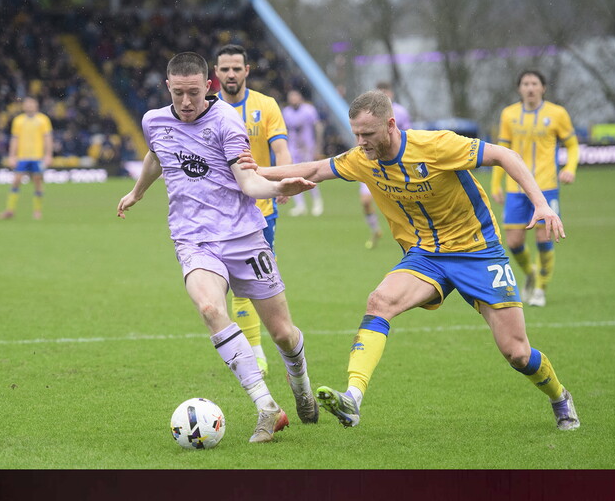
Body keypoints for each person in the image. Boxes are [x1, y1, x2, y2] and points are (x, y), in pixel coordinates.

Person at [239, 89, 580, 432]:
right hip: (425, 256)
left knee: (517, 353)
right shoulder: (361, 158)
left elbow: (505, 155)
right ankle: (353, 398)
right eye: (356, 134)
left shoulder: (436, 145)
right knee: (379, 301)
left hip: (477, 251)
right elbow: (315, 168)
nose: (361, 142)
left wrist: (541, 204)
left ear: (390, 125)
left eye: (368, 134)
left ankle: (559, 396)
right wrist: (258, 172)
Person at [117, 51, 319, 443]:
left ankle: (301, 385)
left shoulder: (227, 120)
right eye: (178, 93)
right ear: (167, 87)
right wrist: (137, 192)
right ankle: (266, 407)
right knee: (210, 308)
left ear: (207, 86)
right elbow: (156, 155)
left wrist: (278, 187)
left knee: (282, 333)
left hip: (243, 237)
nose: (186, 102)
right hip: (193, 239)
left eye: (193, 93)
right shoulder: (153, 120)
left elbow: (248, 181)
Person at [214, 44, 293, 379]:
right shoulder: (207, 109)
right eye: (225, 69)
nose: (231, 74)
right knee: (236, 284)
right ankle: (256, 353)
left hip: (261, 210)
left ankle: (274, 345)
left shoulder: (266, 105)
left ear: (247, 70)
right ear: (216, 73)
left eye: (236, 68)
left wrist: (283, 180)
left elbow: (281, 149)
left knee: (261, 281)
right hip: (221, 211)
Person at [490, 70, 579, 307]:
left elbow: (572, 145)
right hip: (515, 188)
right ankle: (530, 272)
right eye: (526, 84)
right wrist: (495, 183)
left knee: (543, 236)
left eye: (534, 83)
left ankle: (540, 288)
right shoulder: (509, 114)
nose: (530, 88)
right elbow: (501, 151)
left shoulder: (557, 113)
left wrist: (570, 167)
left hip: (546, 186)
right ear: (519, 88)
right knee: (514, 242)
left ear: (543, 88)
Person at [359, 82, 413, 249]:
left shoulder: (400, 112)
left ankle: (410, 236)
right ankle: (375, 230)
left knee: (402, 204)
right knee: (365, 201)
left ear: (391, 93)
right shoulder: (367, 113)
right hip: (371, 164)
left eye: (386, 92)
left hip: (395, 166)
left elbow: (409, 135)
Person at [0, 96, 54, 220]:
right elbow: (15, 139)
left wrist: (48, 155)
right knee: (16, 180)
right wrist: (12, 156)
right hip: (22, 157)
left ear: (36, 105)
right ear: (23, 106)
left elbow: (48, 138)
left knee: (37, 181)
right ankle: (10, 210)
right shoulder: (18, 120)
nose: (29, 106)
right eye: (27, 104)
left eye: (31, 104)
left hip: (37, 157)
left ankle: (37, 211)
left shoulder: (43, 120)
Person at [281, 89, 325, 217]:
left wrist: (318, 146)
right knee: (293, 176)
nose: (293, 99)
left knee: (310, 175)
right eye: (291, 97)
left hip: (307, 147)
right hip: (293, 148)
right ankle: (300, 205)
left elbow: (317, 127)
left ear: (300, 97)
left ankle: (317, 202)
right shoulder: (286, 112)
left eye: (295, 96)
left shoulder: (309, 110)